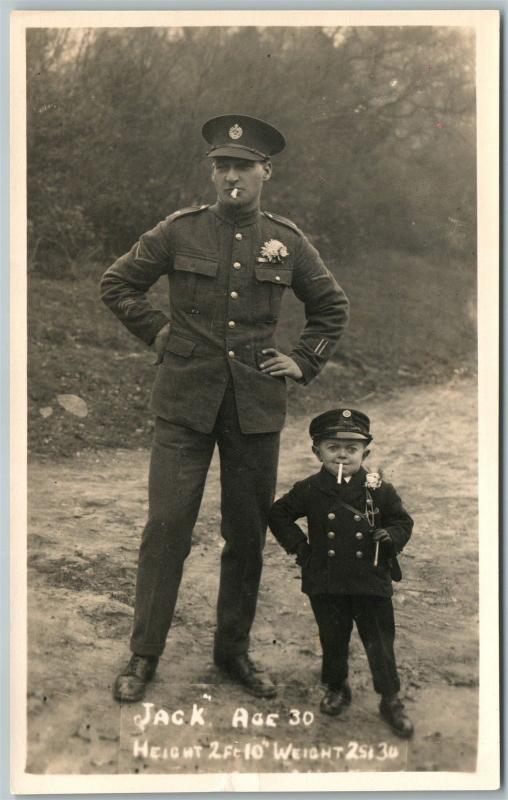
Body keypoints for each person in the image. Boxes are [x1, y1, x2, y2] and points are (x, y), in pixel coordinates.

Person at [100, 114, 349, 703]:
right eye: (222, 166)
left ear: (266, 171)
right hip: (184, 403)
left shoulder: (285, 239)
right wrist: (160, 334)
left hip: (254, 409)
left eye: (242, 166)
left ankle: (232, 651)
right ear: (212, 172)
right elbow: (118, 283)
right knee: (166, 529)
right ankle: (144, 654)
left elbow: (331, 306)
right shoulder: (179, 230)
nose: (231, 176)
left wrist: (302, 360)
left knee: (246, 535)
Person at [268, 408, 414, 738]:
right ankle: (337, 687)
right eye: (333, 447)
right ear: (316, 451)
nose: (343, 455)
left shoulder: (379, 489)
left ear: (366, 452)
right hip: (327, 581)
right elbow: (278, 514)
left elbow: (402, 521)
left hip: (371, 580)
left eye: (352, 448)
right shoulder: (310, 489)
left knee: (379, 641)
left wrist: (391, 537)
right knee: (333, 638)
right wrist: (301, 549)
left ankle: (390, 698)